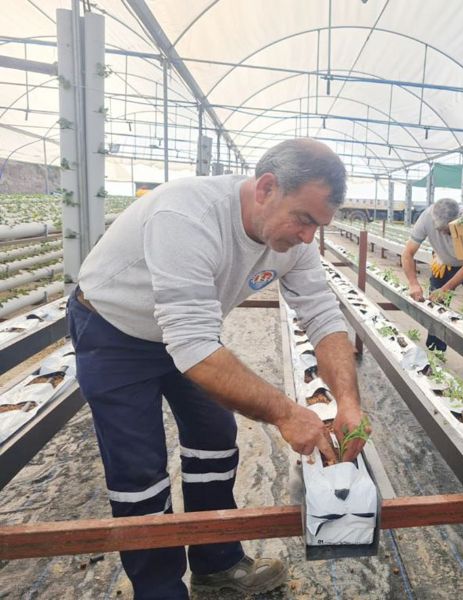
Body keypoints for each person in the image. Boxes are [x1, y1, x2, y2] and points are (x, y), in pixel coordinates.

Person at [67, 139, 368, 599]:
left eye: (319, 225)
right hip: (115, 330)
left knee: (214, 440)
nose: (309, 236)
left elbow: (324, 318)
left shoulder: (294, 242)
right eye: (304, 219)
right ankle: (160, 590)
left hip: (189, 336)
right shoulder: (188, 216)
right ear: (266, 187)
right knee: (140, 472)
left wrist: (348, 402)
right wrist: (288, 413)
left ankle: (217, 564)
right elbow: (194, 348)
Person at [401, 198, 463, 380]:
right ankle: (436, 352)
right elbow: (408, 253)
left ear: (457, 218)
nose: (445, 234)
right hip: (445, 262)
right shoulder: (426, 218)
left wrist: (446, 288)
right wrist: (413, 283)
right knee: (436, 308)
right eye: (441, 230)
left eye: (448, 230)